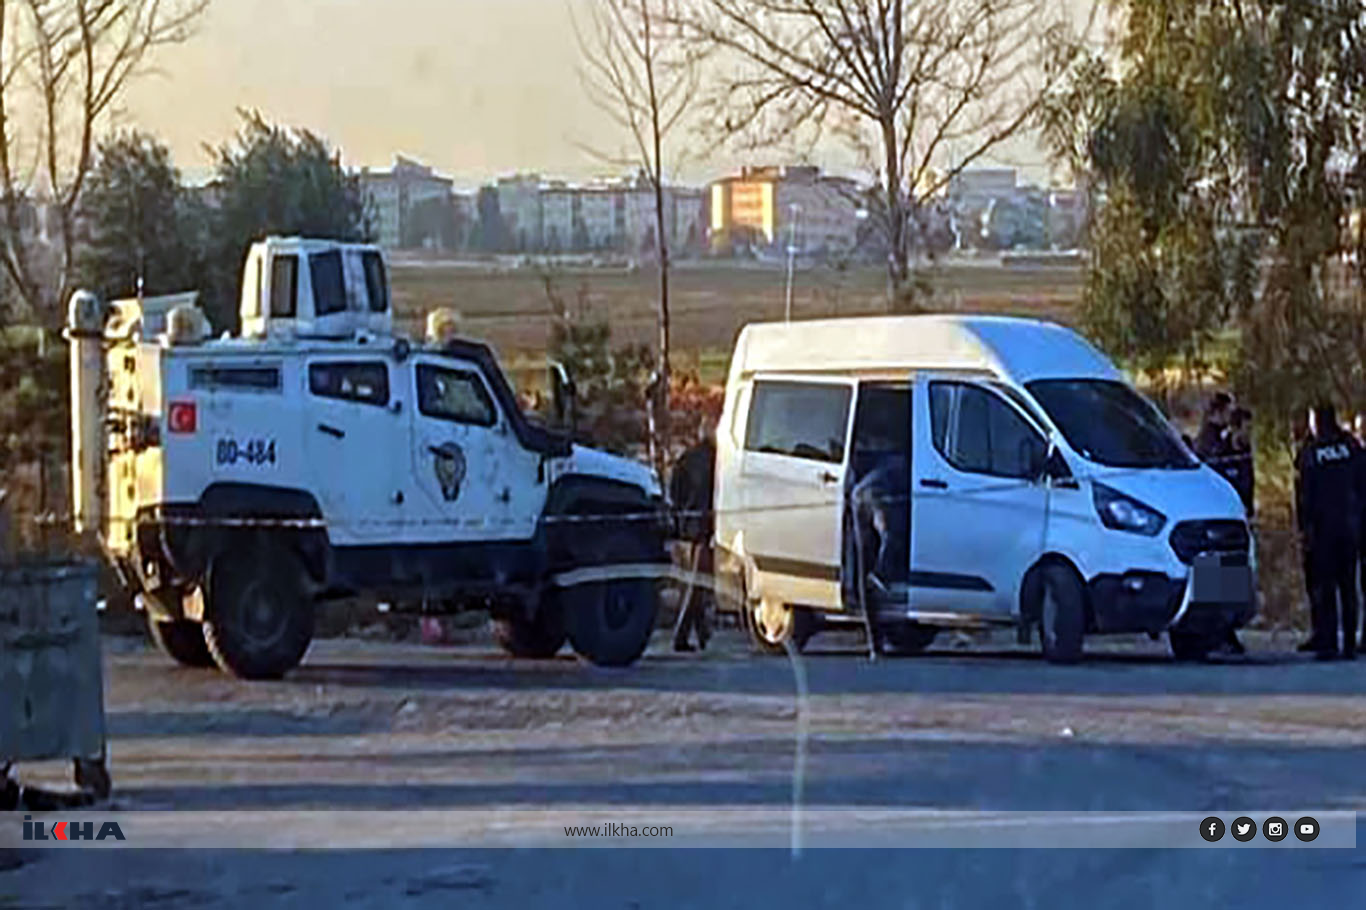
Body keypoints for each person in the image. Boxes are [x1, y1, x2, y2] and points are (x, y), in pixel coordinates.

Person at [1295, 403, 1363, 660]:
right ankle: (1348, 644)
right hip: (1349, 526)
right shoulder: (1350, 446)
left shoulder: (1311, 452)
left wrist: (1304, 529)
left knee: (1325, 588)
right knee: (1348, 588)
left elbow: (1305, 496)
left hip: (1323, 530)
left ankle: (1328, 644)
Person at [668, 418, 717, 652]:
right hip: (702, 529)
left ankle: (702, 635)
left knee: (693, 583)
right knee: (695, 585)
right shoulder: (713, 461)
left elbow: (674, 490)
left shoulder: (687, 458)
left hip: (685, 527)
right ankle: (680, 635)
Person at [1194, 392, 1233, 462]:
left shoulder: (1222, 430)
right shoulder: (1209, 433)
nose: (1230, 416)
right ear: (1218, 412)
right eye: (1227, 412)